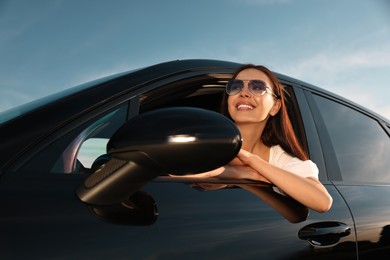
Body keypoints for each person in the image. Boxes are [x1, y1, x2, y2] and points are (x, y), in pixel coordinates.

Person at [177, 64, 333, 213]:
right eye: (236, 87)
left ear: (275, 107)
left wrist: (250, 162)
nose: (243, 93)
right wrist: (243, 174)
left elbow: (322, 202)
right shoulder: (203, 142)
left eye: (257, 87)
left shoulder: (280, 158)